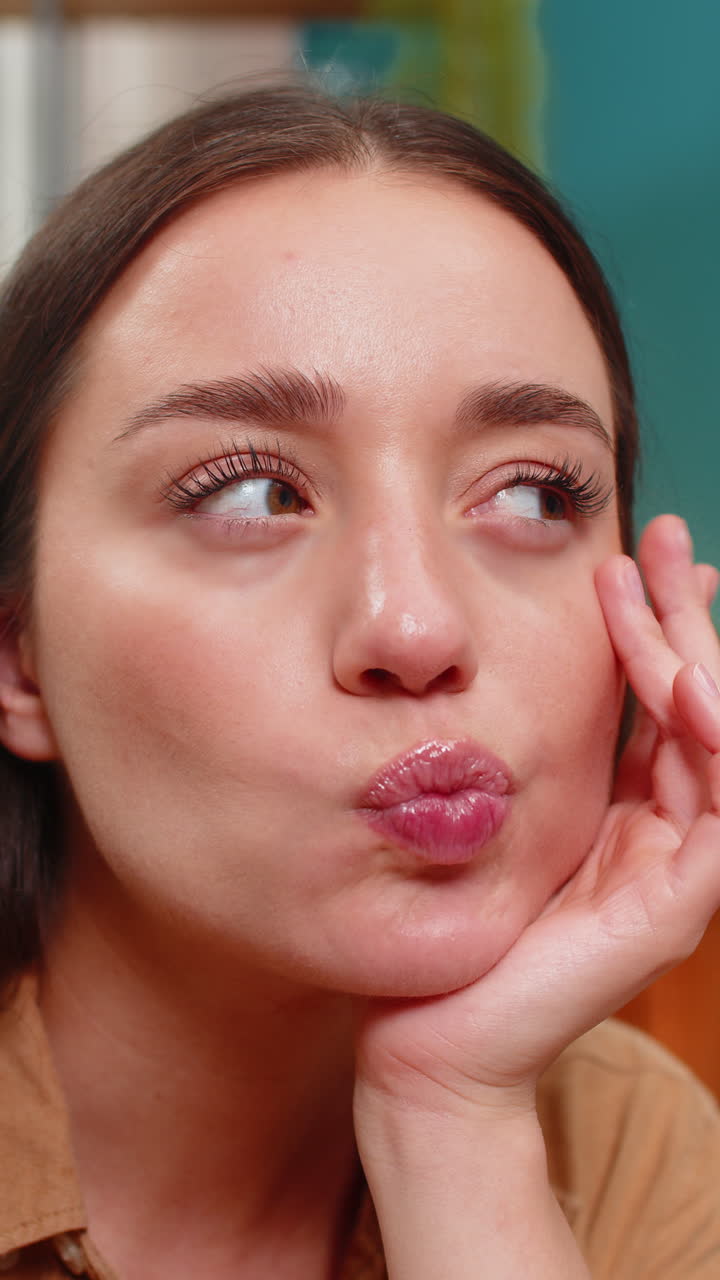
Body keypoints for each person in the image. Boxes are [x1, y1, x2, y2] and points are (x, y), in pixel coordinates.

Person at [0, 84, 718, 1280]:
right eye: (252, 493)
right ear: (17, 657)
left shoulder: (636, 1146)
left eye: (536, 493)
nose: (419, 623)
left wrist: (453, 1124)